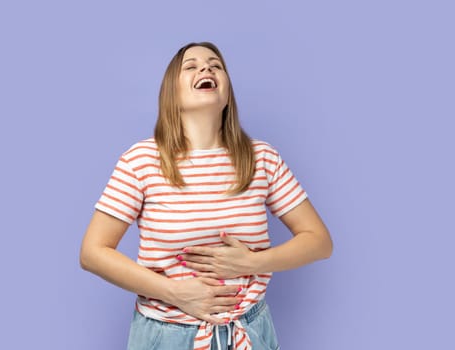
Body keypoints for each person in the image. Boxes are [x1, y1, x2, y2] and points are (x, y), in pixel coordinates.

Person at [80, 42, 333, 350]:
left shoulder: (261, 158)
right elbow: (93, 252)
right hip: (168, 335)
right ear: (171, 93)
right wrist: (174, 292)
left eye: (216, 65)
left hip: (249, 331)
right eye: (191, 66)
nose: (206, 68)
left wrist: (251, 262)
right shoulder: (142, 161)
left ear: (226, 93)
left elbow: (319, 241)